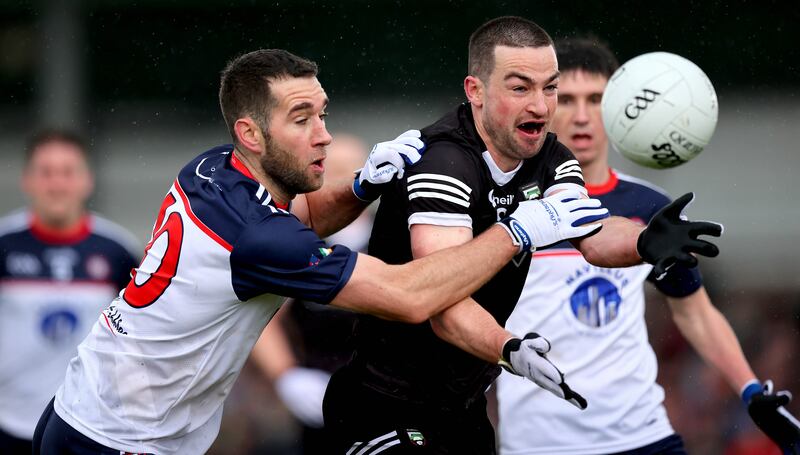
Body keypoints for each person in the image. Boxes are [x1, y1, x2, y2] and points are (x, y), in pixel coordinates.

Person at [32, 48, 609, 455]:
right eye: (301, 119)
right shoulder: (261, 240)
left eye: (323, 114)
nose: (324, 135)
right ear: (251, 134)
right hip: (123, 440)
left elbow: (301, 212)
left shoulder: (213, 168)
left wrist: (360, 188)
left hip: (86, 410)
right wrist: (521, 230)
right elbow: (409, 297)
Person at [322, 16, 723, 454]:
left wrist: (641, 243)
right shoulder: (442, 162)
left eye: (549, 88)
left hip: (462, 409)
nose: (541, 106)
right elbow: (442, 299)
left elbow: (590, 234)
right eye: (520, 88)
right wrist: (509, 347)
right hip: (384, 404)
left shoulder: (552, 156)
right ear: (475, 91)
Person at [495, 37, 800, 455]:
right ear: (544, 106)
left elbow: (695, 312)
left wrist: (750, 391)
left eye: (597, 99)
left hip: (644, 436)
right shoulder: (505, 204)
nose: (582, 116)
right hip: (538, 444)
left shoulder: (652, 208)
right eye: (566, 99)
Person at [0, 130, 139, 454]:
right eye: (45, 172)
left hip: (87, 426)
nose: (57, 184)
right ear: (27, 180)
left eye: (67, 172)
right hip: (8, 421)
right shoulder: (4, 245)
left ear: (87, 180)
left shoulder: (117, 251)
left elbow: (138, 340)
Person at [250, 133, 370, 453]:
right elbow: (260, 317)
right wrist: (287, 376)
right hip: (320, 399)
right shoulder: (299, 245)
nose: (343, 180)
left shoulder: (390, 240)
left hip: (388, 398)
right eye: (332, 170)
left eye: (352, 169)